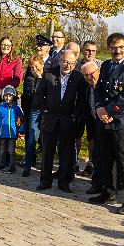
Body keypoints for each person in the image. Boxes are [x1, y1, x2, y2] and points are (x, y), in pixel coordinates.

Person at [90, 34, 124, 214]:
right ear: (109, 48)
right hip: (105, 120)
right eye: (113, 47)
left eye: (121, 46)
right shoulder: (105, 65)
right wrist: (99, 108)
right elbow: (98, 89)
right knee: (106, 159)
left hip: (123, 121)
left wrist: (108, 110)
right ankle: (108, 192)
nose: (118, 50)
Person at [35, 50, 87, 192]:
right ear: (60, 61)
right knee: (47, 152)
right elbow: (39, 93)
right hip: (50, 118)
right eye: (65, 61)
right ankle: (45, 181)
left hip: (67, 120)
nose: (67, 65)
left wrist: (75, 114)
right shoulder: (50, 73)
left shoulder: (78, 77)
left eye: (71, 62)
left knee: (66, 152)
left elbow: (82, 99)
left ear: (75, 63)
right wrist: (43, 108)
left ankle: (64, 182)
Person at [79, 61, 103, 193]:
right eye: (86, 75)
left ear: (98, 71)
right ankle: (97, 183)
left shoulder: (104, 86)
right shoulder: (87, 88)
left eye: (92, 74)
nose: (89, 77)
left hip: (106, 124)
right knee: (96, 155)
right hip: (93, 122)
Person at [0, 85, 24, 173]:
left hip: (12, 134)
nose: (8, 98)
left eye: (10, 96)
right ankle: (2, 163)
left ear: (13, 97)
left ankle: (12, 166)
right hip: (2, 133)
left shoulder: (16, 108)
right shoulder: (0, 107)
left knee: (11, 151)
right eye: (6, 95)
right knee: (2, 150)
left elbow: (21, 118)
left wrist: (21, 126)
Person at [21, 54, 45, 177]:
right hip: (34, 109)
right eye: (31, 67)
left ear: (42, 65)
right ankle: (27, 165)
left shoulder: (48, 74)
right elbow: (33, 92)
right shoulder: (30, 77)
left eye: (36, 66)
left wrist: (41, 77)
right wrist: (39, 78)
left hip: (46, 110)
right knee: (32, 138)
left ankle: (46, 168)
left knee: (46, 139)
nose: (33, 69)